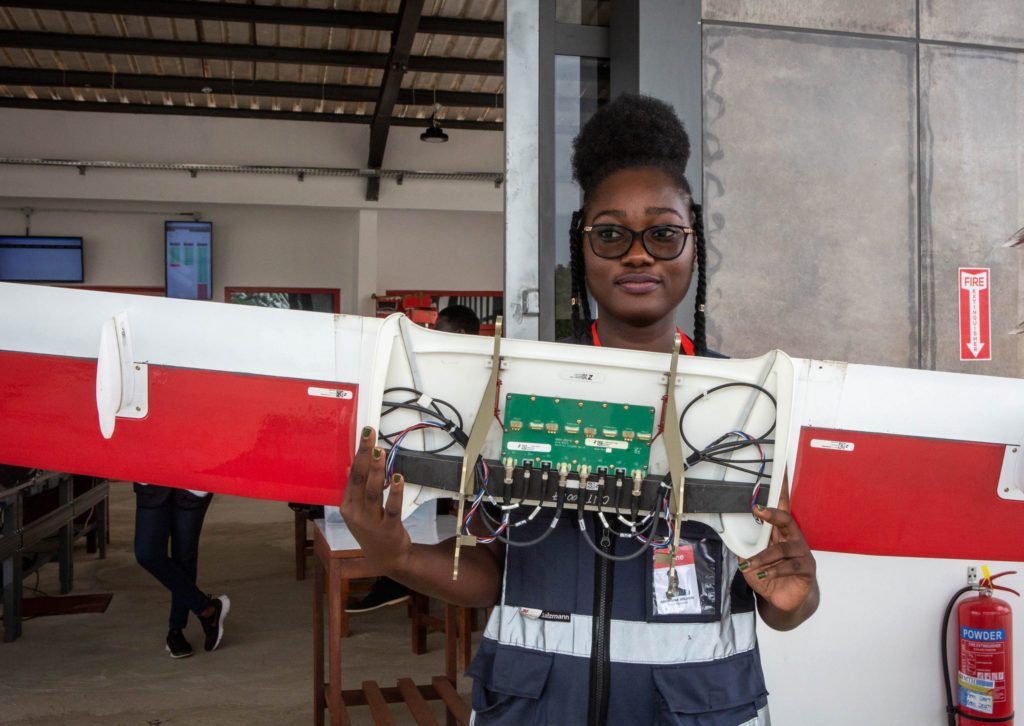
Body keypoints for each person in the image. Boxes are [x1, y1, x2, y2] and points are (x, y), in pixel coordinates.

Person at [341, 94, 818, 725]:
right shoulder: (514, 393)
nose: (638, 254)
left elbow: (782, 599)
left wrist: (795, 596)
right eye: (611, 234)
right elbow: (494, 569)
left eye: (663, 234)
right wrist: (396, 556)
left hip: (697, 710)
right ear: (582, 246)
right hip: (535, 707)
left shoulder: (751, 407)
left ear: (694, 245)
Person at [347, 303, 483, 614]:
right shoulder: (440, 367)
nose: (432, 334)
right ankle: (396, 581)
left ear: (461, 333)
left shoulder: (471, 372)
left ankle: (397, 583)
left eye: (440, 329)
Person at [134, 483, 230, 658]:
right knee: (147, 554)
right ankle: (206, 609)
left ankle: (176, 631)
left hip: (191, 479)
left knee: (184, 556)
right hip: (151, 480)